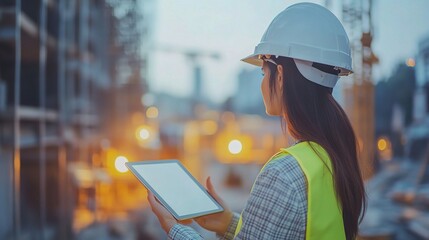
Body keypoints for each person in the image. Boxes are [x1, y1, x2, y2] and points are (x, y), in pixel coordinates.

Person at [147, 2, 366, 240]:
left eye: (263, 72)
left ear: (280, 75)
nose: (262, 83)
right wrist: (228, 223)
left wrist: (174, 228)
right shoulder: (331, 156)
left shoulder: (283, 174)